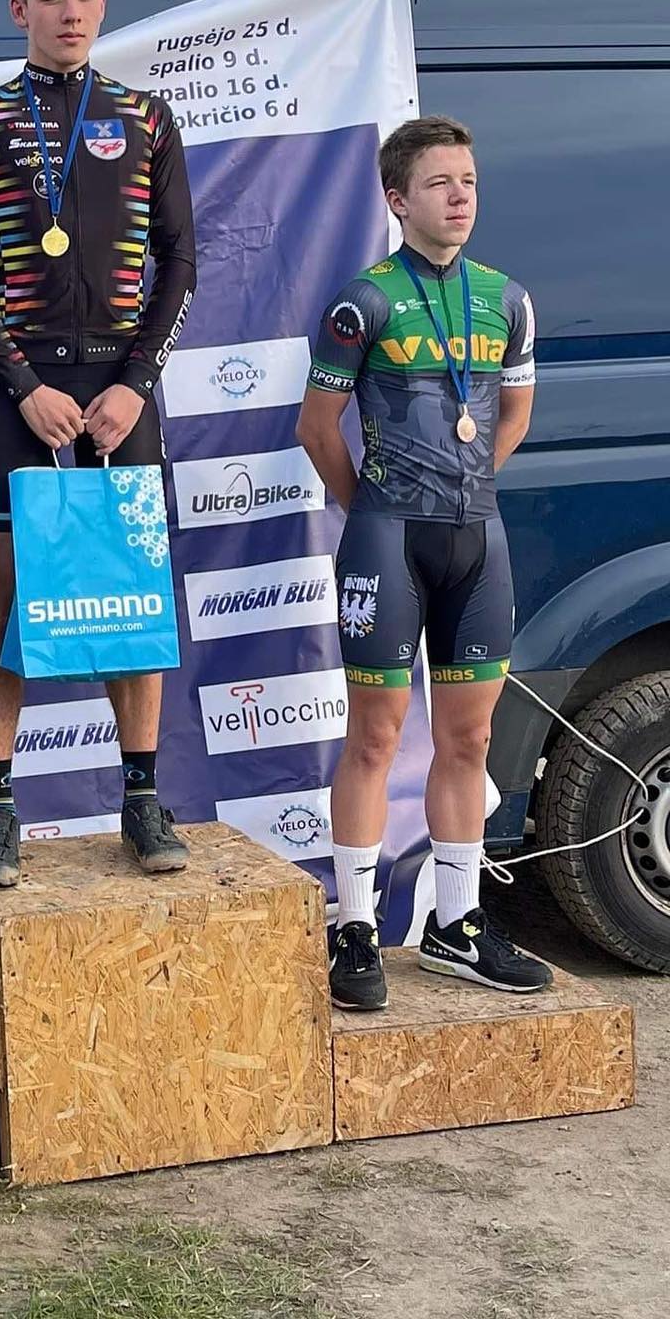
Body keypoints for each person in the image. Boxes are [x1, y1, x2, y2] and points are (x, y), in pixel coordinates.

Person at [0, 0, 196, 888]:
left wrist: (136, 382)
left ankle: (142, 796)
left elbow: (181, 261)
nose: (70, 11)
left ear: (103, 3)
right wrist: (23, 384)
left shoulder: (146, 117)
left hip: (122, 388)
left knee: (133, 591)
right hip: (23, 388)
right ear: (20, 9)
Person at [297, 114, 550, 1010]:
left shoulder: (507, 299)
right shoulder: (361, 302)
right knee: (374, 739)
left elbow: (512, 416)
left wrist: (466, 486)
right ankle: (355, 928)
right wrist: (369, 508)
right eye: (441, 183)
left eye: (469, 182)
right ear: (398, 199)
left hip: (478, 537)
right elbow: (317, 429)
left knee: (469, 740)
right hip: (388, 538)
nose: (460, 197)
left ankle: (457, 925)